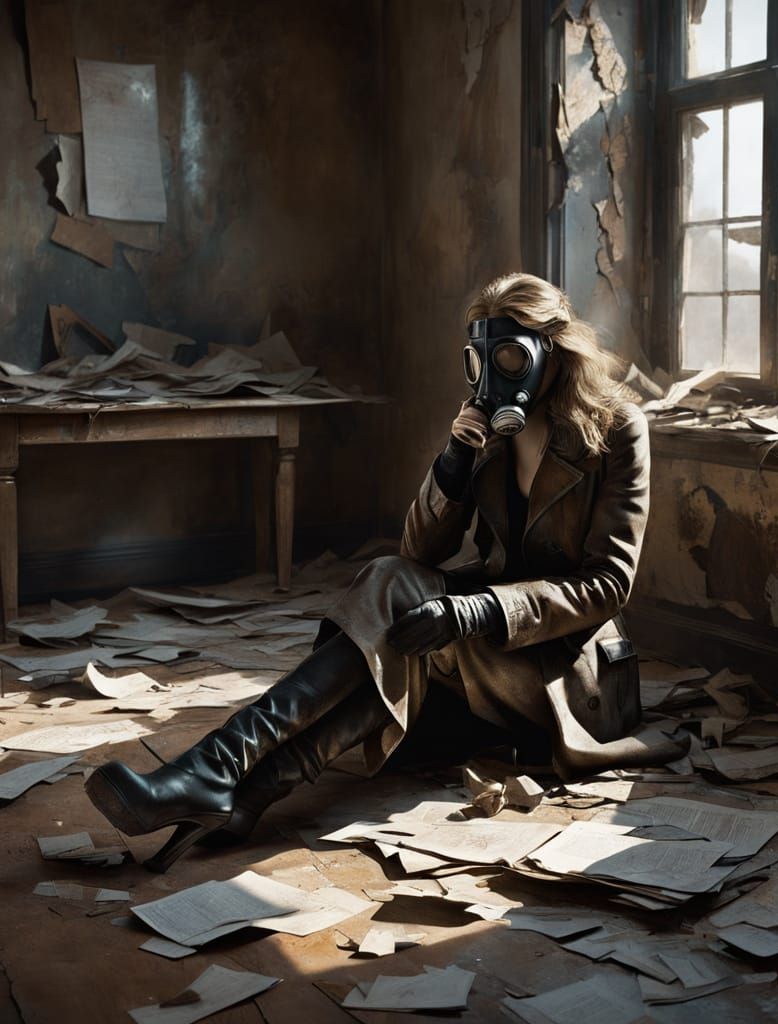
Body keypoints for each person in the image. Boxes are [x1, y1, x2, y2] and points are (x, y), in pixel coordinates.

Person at [84, 272, 689, 872]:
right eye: (479, 362)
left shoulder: (616, 429)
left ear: (553, 352)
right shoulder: (488, 431)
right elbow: (418, 552)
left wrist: (477, 610)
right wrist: (455, 460)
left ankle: (214, 777)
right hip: (491, 658)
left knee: (395, 626)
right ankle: (241, 792)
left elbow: (608, 584)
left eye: (509, 357)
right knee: (392, 592)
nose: (494, 377)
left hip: (568, 673)